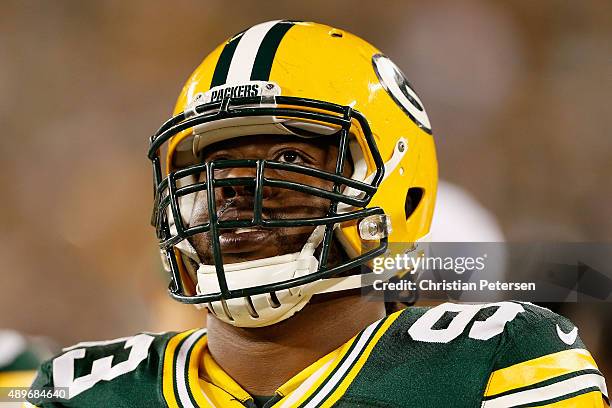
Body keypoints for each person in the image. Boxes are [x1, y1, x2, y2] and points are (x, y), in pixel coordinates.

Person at [28, 21, 608, 407]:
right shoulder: (82, 388)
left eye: (288, 157)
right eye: (217, 165)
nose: (238, 190)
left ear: (393, 187)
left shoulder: (498, 364)